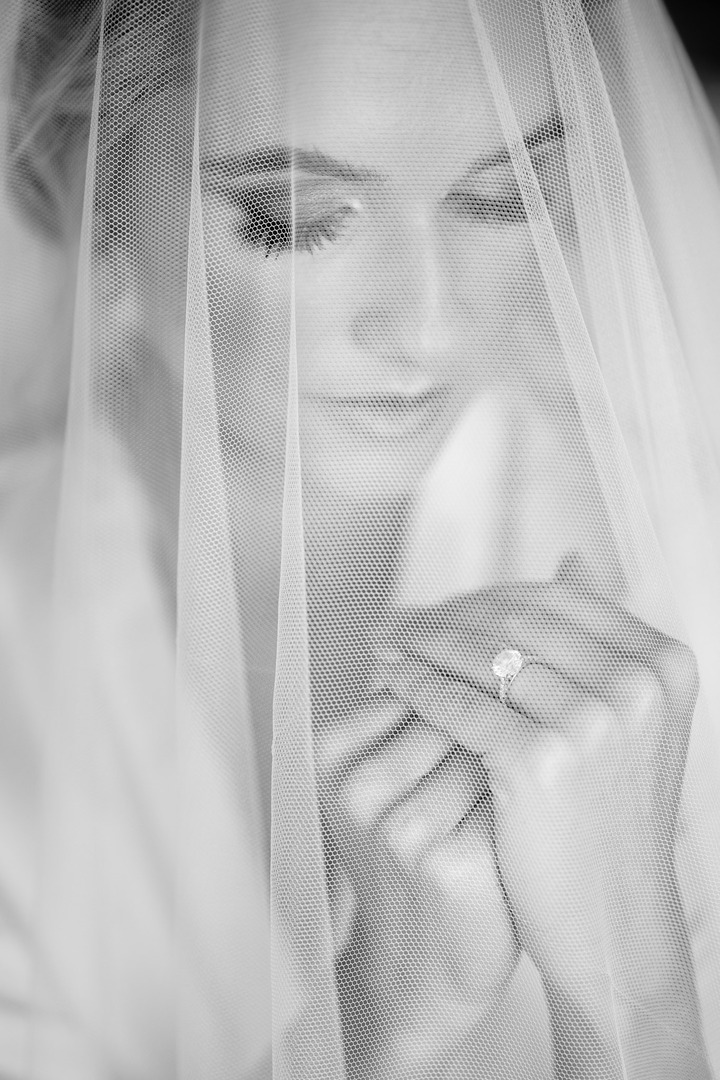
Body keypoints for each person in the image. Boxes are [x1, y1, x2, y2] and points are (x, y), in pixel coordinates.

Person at [2, 0, 720, 1077]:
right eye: (296, 218)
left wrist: (631, 983)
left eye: (497, 199)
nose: (426, 325)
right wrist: (381, 1016)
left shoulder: (675, 542)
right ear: (94, 184)